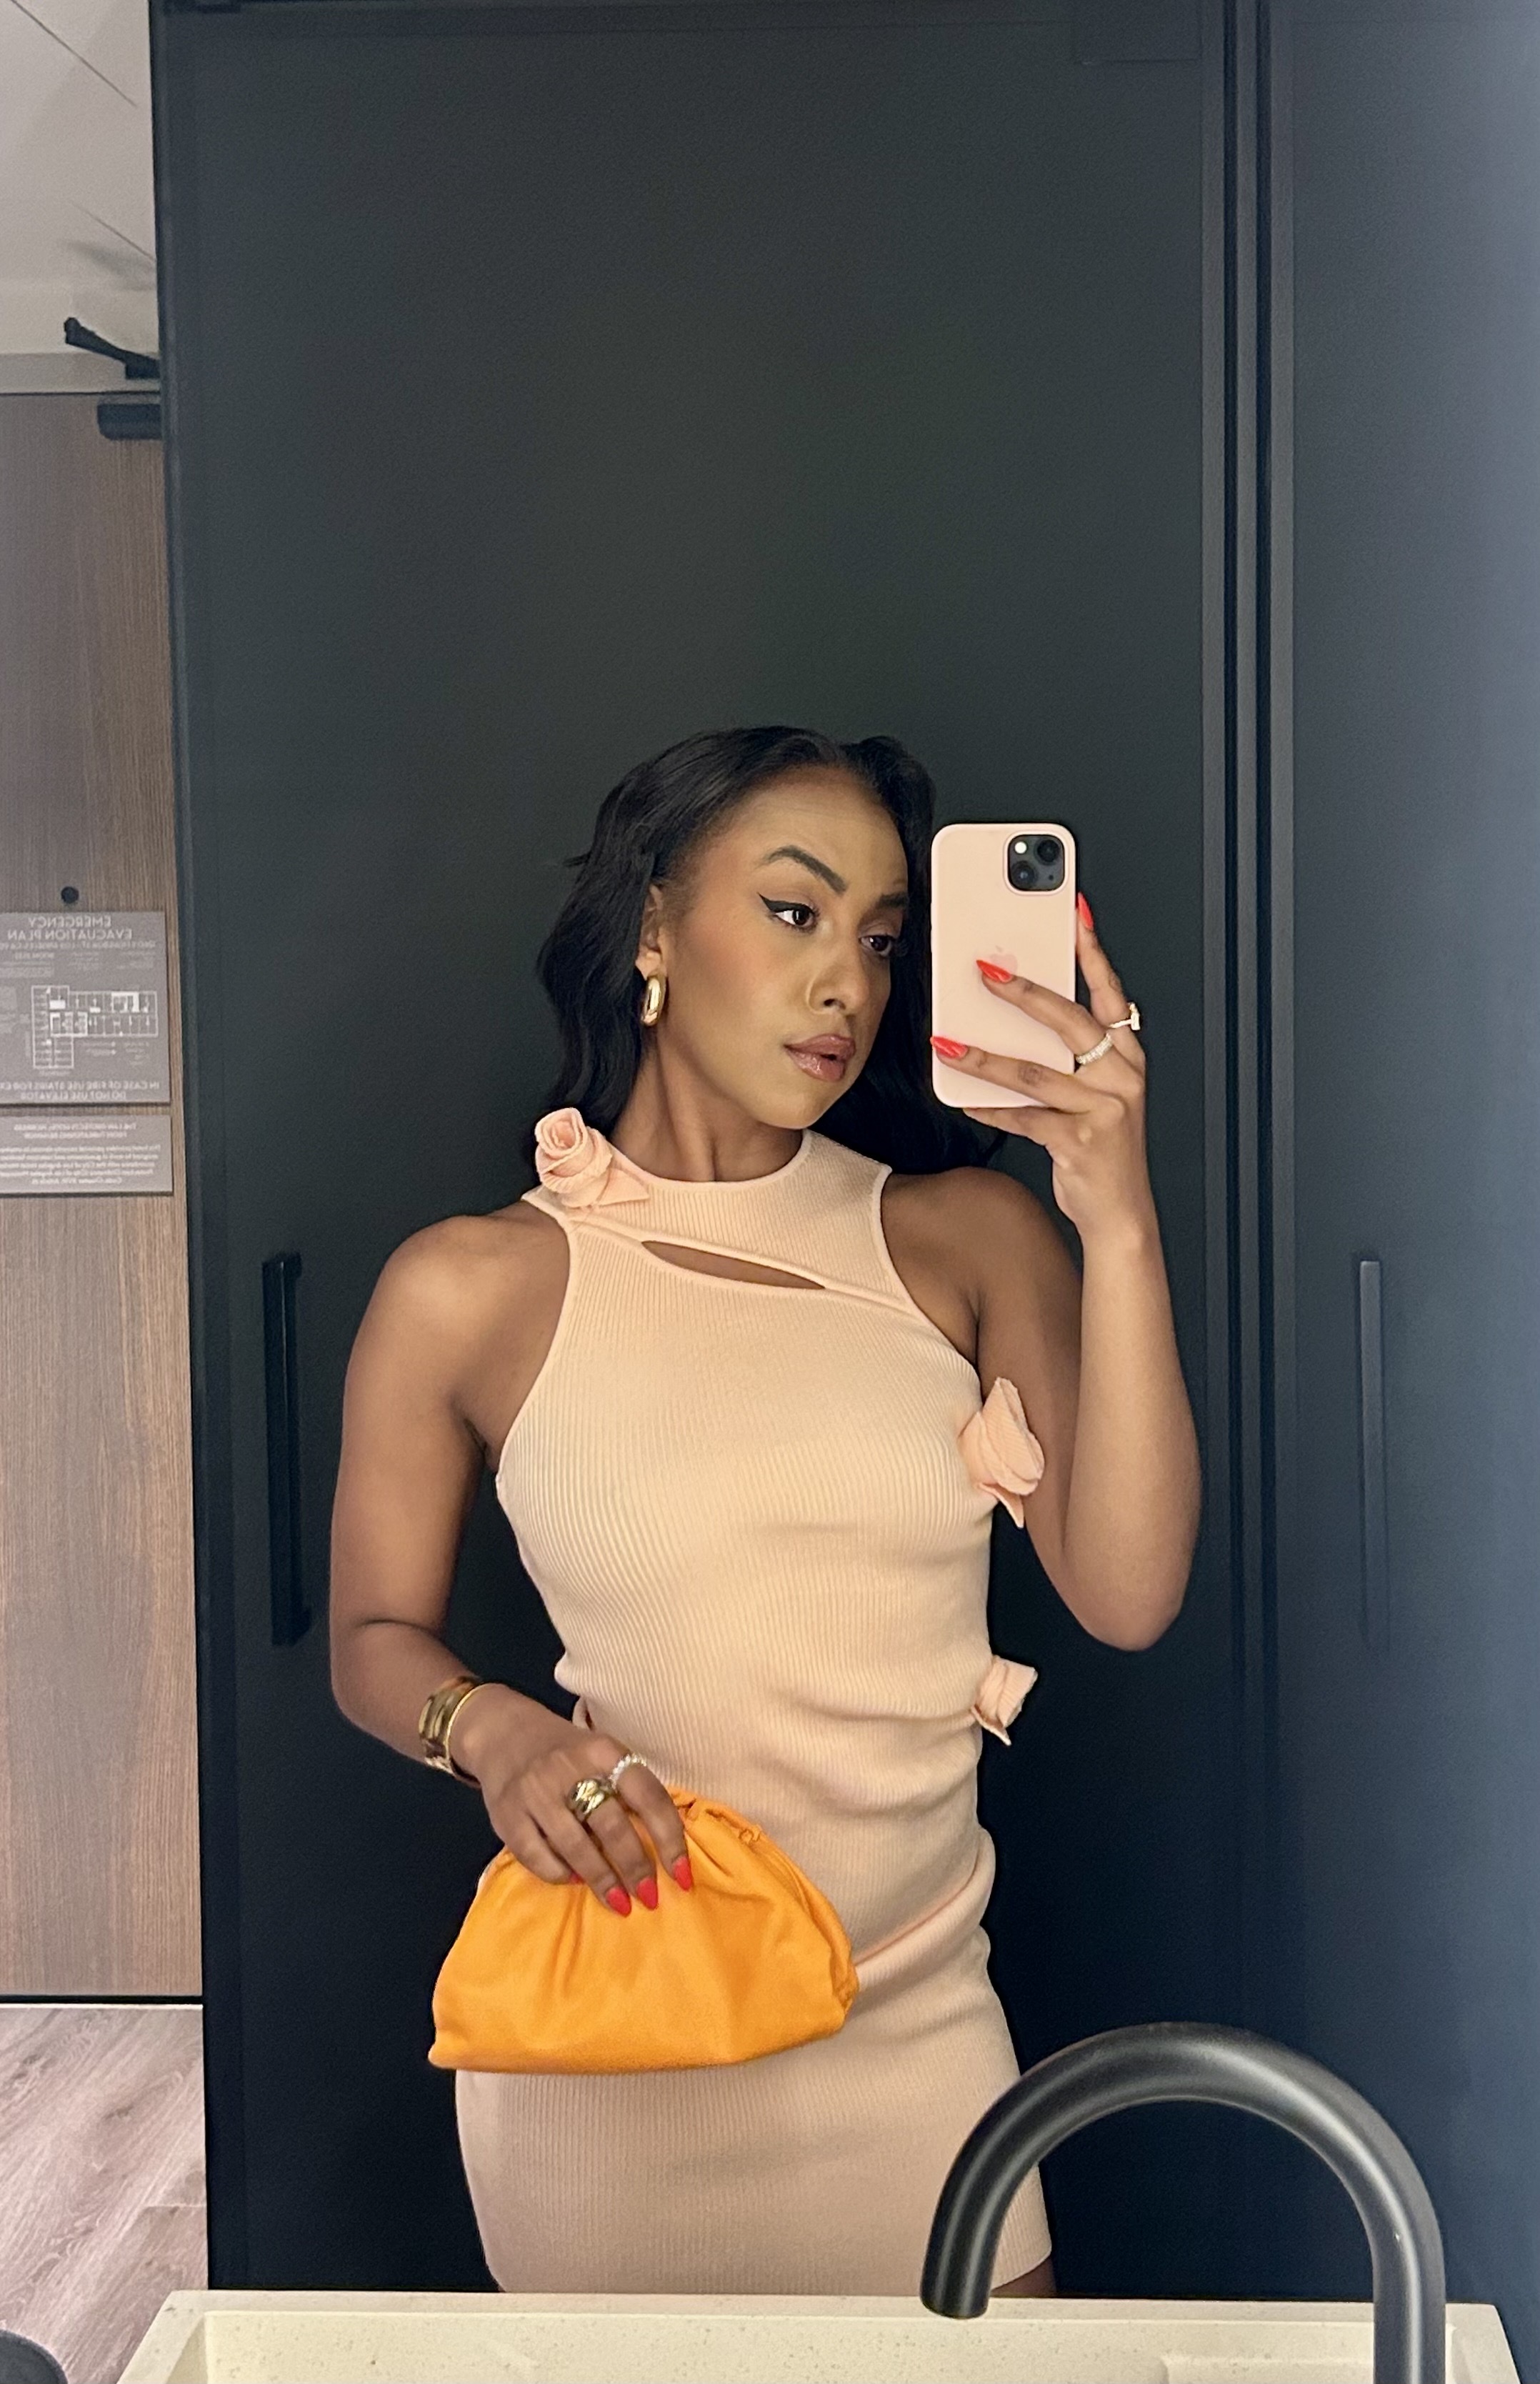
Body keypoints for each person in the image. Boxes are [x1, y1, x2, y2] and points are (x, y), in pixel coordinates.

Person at [328, 724, 1201, 2297]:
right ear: (654, 928)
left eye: (880, 937)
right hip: (613, 2054)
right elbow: (374, 1636)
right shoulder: (468, 1287)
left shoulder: (965, 1238)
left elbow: (1128, 1593)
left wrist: (1116, 1211)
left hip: (917, 2045)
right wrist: (495, 1731)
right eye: (795, 912)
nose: (846, 981)